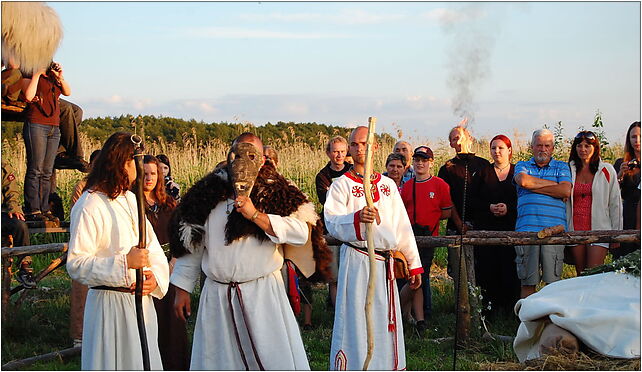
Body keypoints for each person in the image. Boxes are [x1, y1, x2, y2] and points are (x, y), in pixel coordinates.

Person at [169, 132, 330, 370]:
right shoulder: (207, 194)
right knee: (220, 361)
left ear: (262, 159)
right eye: (237, 154)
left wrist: (256, 216)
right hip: (218, 296)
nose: (242, 161)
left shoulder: (278, 192)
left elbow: (300, 232)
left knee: (269, 359)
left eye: (251, 154)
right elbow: (193, 241)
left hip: (262, 294)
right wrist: (182, 289)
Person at [66, 132, 169, 370]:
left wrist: (153, 278)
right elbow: (76, 263)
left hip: (140, 305)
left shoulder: (131, 201)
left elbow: (153, 250)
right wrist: (125, 264)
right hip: (109, 308)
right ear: (121, 162)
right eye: (136, 161)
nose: (140, 169)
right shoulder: (89, 204)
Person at [324, 126, 423, 370]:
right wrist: (357, 218)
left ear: (375, 147)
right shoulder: (341, 185)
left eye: (365, 144)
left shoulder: (388, 185)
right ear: (349, 148)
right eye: (355, 144)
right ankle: (358, 365)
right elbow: (332, 221)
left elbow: (401, 226)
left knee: (383, 321)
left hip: (385, 266)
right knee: (356, 319)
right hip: (357, 262)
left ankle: (385, 365)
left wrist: (413, 264)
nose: (360, 149)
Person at [141, 155, 189, 370]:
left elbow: (182, 236)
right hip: (145, 271)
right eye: (144, 174)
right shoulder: (132, 205)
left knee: (172, 325)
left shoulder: (169, 203)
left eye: (153, 173)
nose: (149, 178)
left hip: (171, 268)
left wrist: (173, 262)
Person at [399, 146, 452, 336]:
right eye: (417, 160)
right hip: (408, 237)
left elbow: (446, 211)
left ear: (431, 162)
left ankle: (405, 312)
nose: (420, 163)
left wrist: (431, 220)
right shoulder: (407, 186)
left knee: (419, 277)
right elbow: (401, 212)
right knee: (411, 276)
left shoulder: (440, 185)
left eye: (424, 160)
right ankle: (412, 316)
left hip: (429, 237)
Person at [513, 129, 572, 298]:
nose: (543, 149)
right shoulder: (522, 165)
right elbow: (523, 181)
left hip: (554, 231)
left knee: (552, 283)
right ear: (532, 147)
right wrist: (554, 187)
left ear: (552, 148)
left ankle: (550, 322)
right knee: (527, 281)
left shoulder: (561, 166)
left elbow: (565, 190)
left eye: (547, 145)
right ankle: (528, 322)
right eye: (539, 145)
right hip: (527, 231)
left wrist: (534, 186)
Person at [470, 135, 520, 312]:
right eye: (493, 148)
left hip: (511, 229)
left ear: (509, 150)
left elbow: (524, 199)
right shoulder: (482, 173)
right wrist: (489, 207)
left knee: (511, 268)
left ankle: (511, 308)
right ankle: (489, 307)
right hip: (486, 230)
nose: (496, 151)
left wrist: (509, 208)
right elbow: (471, 201)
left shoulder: (518, 172)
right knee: (487, 268)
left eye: (500, 148)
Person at [437, 125, 490, 289]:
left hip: (480, 226)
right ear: (451, 144)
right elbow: (446, 199)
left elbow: (488, 195)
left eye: (460, 136)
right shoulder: (447, 168)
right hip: (456, 226)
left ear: (470, 139)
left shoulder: (483, 165)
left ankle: (482, 307)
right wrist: (459, 223)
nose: (458, 141)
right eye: (454, 139)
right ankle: (462, 308)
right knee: (459, 272)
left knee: (482, 268)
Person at [566, 131, 622, 275]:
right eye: (579, 146)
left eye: (587, 146)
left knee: (594, 273)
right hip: (575, 228)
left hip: (599, 227)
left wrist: (616, 234)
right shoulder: (569, 170)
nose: (583, 149)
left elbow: (615, 203)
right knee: (580, 274)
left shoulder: (606, 170)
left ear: (595, 147)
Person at [21, 61, 70, 223]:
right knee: (35, 169)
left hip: (53, 127)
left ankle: (44, 208)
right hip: (36, 124)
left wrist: (59, 77)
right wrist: (36, 74)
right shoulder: (30, 75)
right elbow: (28, 96)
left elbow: (68, 92)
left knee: (47, 171)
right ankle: (32, 209)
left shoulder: (52, 80)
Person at [68, 149, 101, 348]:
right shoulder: (82, 187)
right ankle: (78, 336)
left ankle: (96, 334)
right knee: (81, 291)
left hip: (103, 247)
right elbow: (76, 213)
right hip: (85, 243)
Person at [315, 135, 352, 309]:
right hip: (331, 228)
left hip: (353, 227)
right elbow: (327, 202)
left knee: (351, 273)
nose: (339, 155)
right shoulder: (322, 176)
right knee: (334, 275)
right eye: (335, 151)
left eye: (342, 151)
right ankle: (337, 311)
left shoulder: (353, 171)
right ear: (328, 153)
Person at [2, 161, 34, 288]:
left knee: (20, 225)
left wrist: (13, 208)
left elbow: (11, 192)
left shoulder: (3, 166)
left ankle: (24, 267)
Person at [613, 121, 641, 259]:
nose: (637, 141)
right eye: (633, 137)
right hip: (628, 215)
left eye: (640, 136)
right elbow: (612, 194)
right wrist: (619, 175)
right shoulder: (621, 163)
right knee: (626, 257)